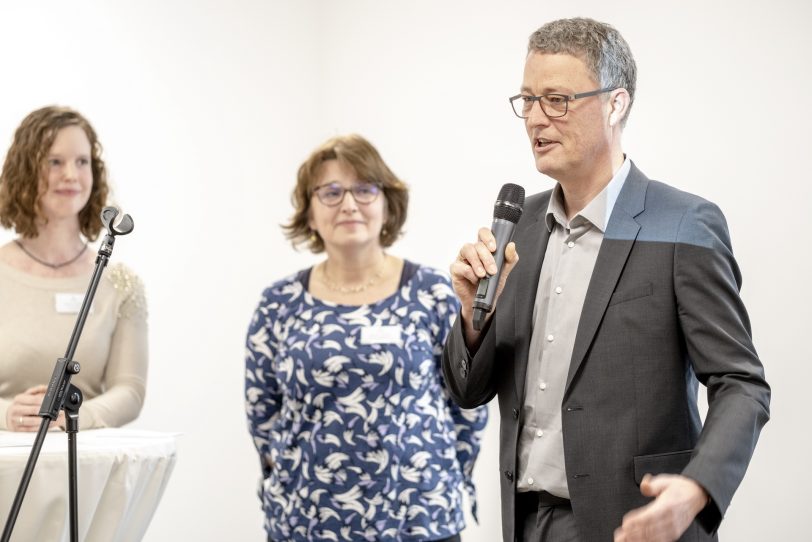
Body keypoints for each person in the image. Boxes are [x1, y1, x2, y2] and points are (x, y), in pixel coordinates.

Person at [441, 18, 770, 542]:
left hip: (633, 522)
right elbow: (467, 391)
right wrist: (471, 317)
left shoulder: (684, 223)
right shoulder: (519, 224)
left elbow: (741, 384)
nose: (535, 119)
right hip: (524, 521)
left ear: (616, 104)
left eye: (557, 99)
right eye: (526, 100)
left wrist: (699, 486)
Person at [245, 134, 488, 542]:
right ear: (309, 214)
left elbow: (467, 402)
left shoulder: (433, 292)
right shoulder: (278, 303)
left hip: (420, 519)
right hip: (305, 522)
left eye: (364, 189)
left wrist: (438, 473)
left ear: (387, 206)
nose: (349, 203)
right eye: (331, 192)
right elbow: (262, 412)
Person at [0, 106, 147, 432]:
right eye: (55, 162)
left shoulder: (122, 283)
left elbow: (130, 390)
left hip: (84, 466)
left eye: (82, 162)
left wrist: (75, 419)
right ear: (24, 170)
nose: (71, 175)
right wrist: (8, 414)